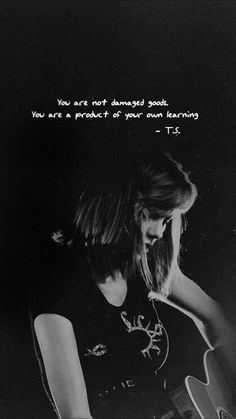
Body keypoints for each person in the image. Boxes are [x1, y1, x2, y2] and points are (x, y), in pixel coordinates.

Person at [30, 153, 236, 419]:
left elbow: (215, 316)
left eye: (167, 221)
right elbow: (75, 415)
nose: (160, 232)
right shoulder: (57, 288)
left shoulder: (141, 266)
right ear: (120, 208)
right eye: (155, 216)